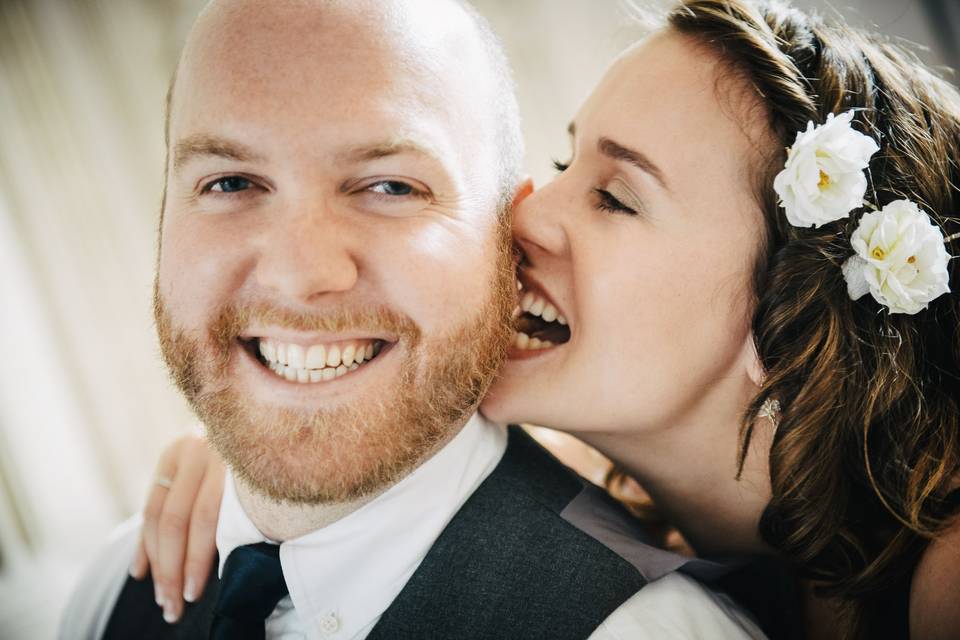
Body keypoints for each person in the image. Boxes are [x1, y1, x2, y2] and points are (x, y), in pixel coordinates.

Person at [133, 0, 960, 638]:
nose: (520, 214)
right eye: (565, 161)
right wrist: (280, 442)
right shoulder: (611, 501)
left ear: (787, 313)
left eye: (613, 197)